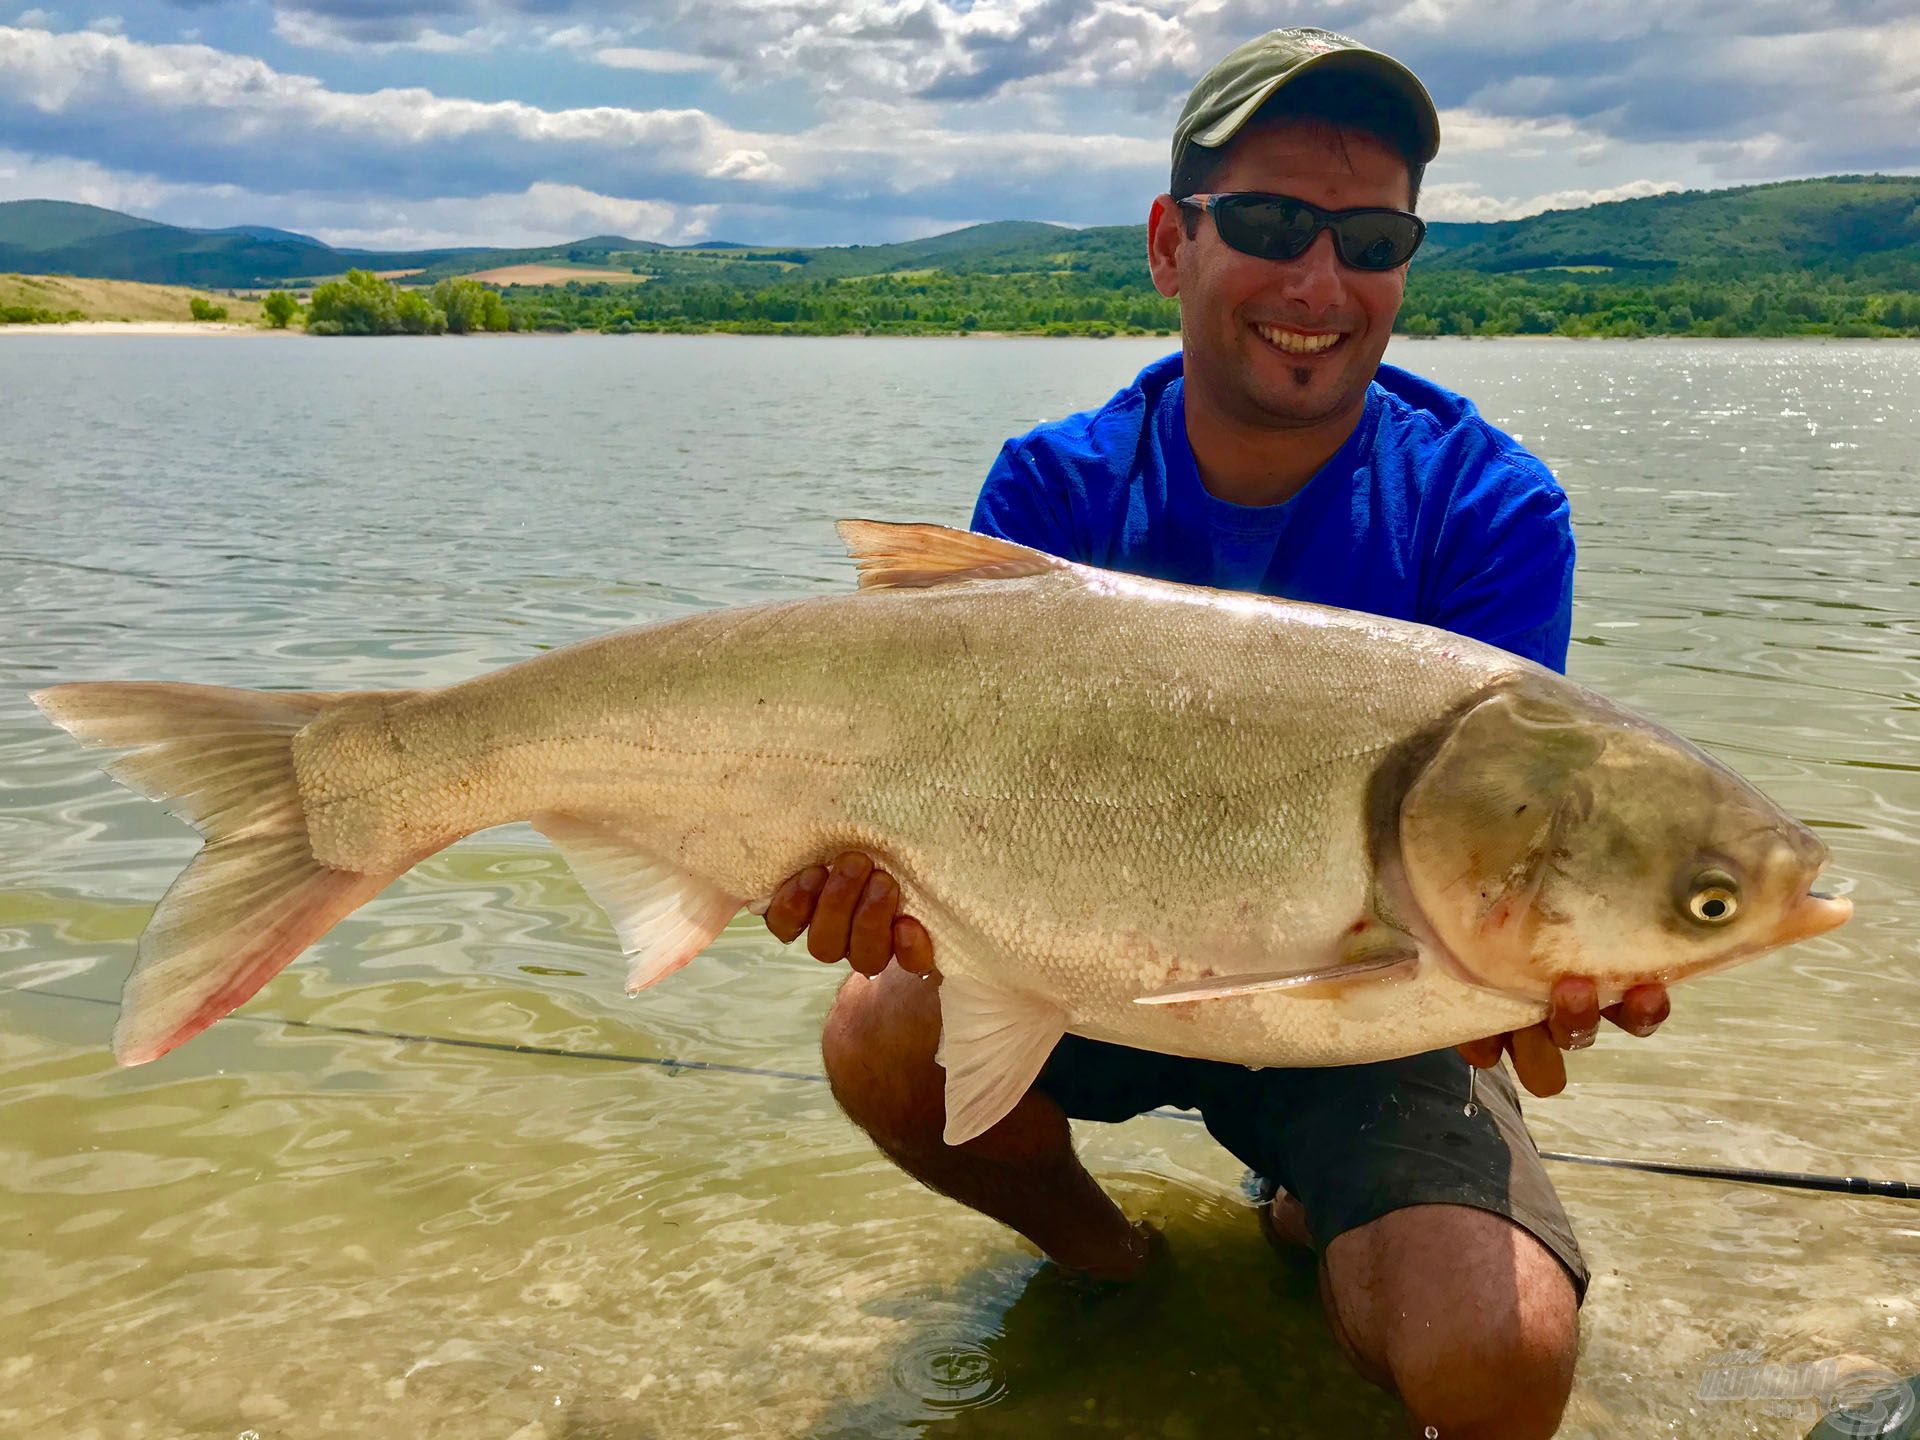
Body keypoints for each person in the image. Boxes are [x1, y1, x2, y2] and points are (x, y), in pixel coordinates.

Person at [760, 27, 1671, 1439]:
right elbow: (978, 804)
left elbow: (1502, 851)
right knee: (880, 1029)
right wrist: (886, 886)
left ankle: (1317, 1205)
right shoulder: (1053, 488)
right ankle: (1116, 1264)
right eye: (1266, 222)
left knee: (1501, 1368)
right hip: (1092, 959)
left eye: (1371, 236)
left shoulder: (1491, 511)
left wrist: (1532, 979)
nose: (1320, 281)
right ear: (1169, 244)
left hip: (1365, 1006)